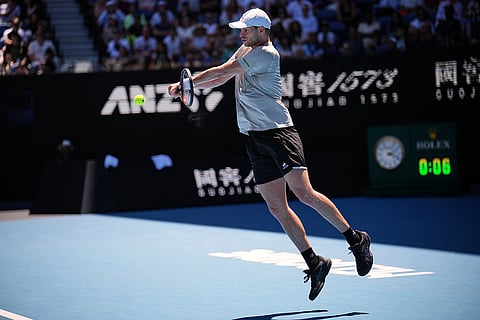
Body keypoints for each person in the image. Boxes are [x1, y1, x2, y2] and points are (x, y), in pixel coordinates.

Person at [167, 8, 373, 302]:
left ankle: (356, 240)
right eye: (240, 30)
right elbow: (222, 77)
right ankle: (315, 263)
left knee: (304, 194)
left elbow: (223, 72)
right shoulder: (246, 48)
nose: (241, 33)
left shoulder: (266, 54)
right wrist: (190, 87)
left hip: (279, 134)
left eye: (246, 30)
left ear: (262, 31)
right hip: (255, 137)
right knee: (277, 207)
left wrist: (189, 82)